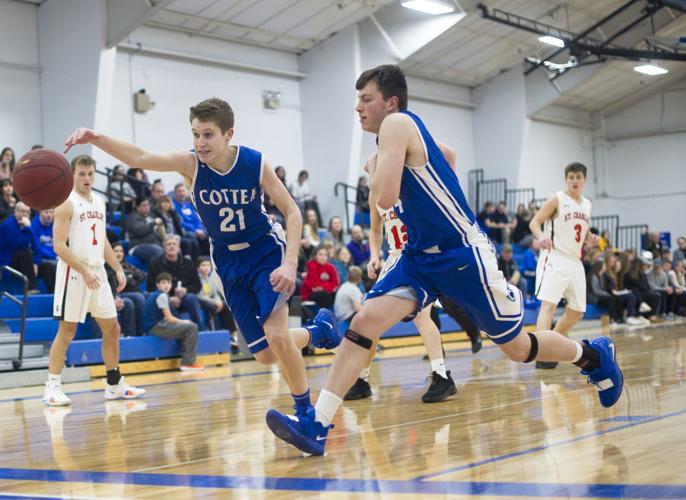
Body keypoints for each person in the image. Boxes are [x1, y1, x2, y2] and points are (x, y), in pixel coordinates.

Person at [266, 65, 622, 456]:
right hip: (418, 256)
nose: (358, 108)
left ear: (391, 102)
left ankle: (592, 355)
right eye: (357, 100)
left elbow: (384, 197)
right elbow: (445, 154)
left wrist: (379, 168)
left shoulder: (396, 125)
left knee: (518, 348)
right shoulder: (402, 132)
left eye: (366, 99)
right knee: (365, 320)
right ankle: (318, 422)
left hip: (461, 252)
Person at [64, 97, 341, 421]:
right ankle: (317, 331)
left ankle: (308, 417)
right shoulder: (191, 164)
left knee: (278, 336)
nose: (200, 142)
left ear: (228, 134)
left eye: (208, 134)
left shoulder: (254, 162)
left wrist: (290, 263)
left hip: (265, 252)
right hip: (226, 259)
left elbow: (292, 211)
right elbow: (141, 156)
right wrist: (96, 138)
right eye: (195, 134)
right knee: (266, 354)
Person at [344, 155, 456, 404]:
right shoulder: (377, 194)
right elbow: (375, 230)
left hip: (417, 257)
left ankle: (441, 375)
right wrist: (374, 256)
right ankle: (362, 379)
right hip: (394, 258)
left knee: (422, 317)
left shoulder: (413, 186)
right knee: (370, 319)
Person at [43, 155, 145, 406]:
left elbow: (103, 240)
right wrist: (84, 270)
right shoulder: (65, 203)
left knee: (112, 328)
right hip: (73, 272)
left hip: (97, 271)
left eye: (90, 174)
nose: (87, 178)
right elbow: (58, 246)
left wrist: (118, 268)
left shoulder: (99, 202)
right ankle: (52, 387)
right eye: (81, 174)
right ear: (72, 175)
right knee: (67, 331)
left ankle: (113, 383)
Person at [529, 162, 597, 370]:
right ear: (566, 179)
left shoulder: (587, 204)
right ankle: (543, 353)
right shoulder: (557, 199)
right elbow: (534, 222)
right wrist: (541, 237)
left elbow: (581, 232)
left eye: (578, 177)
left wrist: (589, 238)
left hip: (575, 261)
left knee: (576, 312)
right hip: (555, 256)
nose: (574, 181)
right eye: (571, 177)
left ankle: (553, 345)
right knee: (548, 306)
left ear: (584, 180)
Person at [143, 272, 202, 371]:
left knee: (186, 329)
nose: (166, 285)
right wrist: (184, 321)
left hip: (155, 325)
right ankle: (188, 363)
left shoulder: (156, 295)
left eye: (169, 283)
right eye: (163, 282)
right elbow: (170, 318)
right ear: (157, 284)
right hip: (156, 327)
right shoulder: (162, 296)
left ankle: (186, 359)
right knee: (192, 327)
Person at [146, 235, 206, 331]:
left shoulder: (188, 263)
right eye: (168, 244)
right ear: (164, 247)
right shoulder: (155, 263)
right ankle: (182, 329)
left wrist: (186, 290)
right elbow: (150, 287)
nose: (171, 246)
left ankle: (201, 330)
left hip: (184, 298)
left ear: (178, 248)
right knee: (165, 301)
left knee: (192, 298)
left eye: (174, 244)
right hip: (164, 299)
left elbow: (197, 285)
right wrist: (168, 297)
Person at [0, 202, 39, 291]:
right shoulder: (8, 225)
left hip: (17, 260)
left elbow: (36, 247)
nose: (25, 215)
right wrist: (27, 228)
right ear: (15, 211)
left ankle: (54, 296)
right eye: (22, 211)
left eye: (27, 212)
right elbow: (19, 245)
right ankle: (31, 288)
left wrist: (36, 263)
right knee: (26, 253)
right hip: (4, 262)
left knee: (48, 267)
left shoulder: (27, 225)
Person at [112, 242, 146, 335]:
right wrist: (130, 277)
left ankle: (144, 332)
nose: (119, 253)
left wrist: (128, 278)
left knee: (150, 296)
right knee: (137, 298)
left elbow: (143, 275)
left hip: (133, 292)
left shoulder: (127, 265)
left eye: (121, 251)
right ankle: (135, 334)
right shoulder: (109, 267)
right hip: (119, 294)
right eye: (116, 251)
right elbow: (116, 283)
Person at [195, 256, 237, 333]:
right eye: (203, 265)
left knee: (225, 305)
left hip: (212, 300)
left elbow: (215, 294)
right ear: (198, 268)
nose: (206, 267)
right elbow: (199, 296)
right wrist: (214, 301)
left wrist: (218, 301)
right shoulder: (196, 279)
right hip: (201, 301)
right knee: (212, 306)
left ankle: (232, 332)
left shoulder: (212, 278)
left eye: (208, 265)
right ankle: (216, 330)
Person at [172, 183, 209, 257]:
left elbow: (197, 218)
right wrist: (195, 230)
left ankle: (207, 261)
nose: (182, 193)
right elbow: (179, 222)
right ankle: (197, 261)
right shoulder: (173, 205)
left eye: (183, 191)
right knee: (193, 238)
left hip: (197, 229)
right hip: (185, 230)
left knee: (209, 236)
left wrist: (200, 229)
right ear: (175, 193)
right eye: (179, 191)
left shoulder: (189, 205)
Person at [126, 197, 165, 265]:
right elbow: (140, 231)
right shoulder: (133, 217)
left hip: (154, 243)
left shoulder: (151, 216)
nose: (147, 207)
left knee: (174, 248)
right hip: (138, 245)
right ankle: (158, 274)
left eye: (148, 204)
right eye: (144, 205)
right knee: (157, 250)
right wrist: (154, 223)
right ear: (137, 207)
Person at [31, 208, 58, 291]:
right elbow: (36, 248)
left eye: (51, 212)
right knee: (55, 265)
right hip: (39, 260)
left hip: (52, 258)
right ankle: (54, 294)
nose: (49, 215)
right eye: (46, 212)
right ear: (40, 212)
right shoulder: (34, 226)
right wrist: (54, 257)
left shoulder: (53, 226)